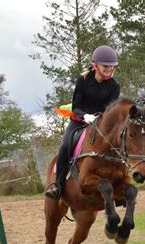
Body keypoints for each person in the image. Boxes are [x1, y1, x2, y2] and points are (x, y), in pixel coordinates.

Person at [45, 45, 121, 200]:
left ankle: (119, 189)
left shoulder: (115, 86)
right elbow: (76, 105)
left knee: (118, 145)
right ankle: (58, 186)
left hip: (101, 125)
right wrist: (85, 116)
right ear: (96, 65)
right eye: (105, 66)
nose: (108, 69)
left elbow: (110, 110)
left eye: (111, 67)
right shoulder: (83, 80)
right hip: (79, 121)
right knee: (65, 146)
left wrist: (100, 118)